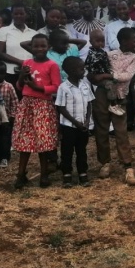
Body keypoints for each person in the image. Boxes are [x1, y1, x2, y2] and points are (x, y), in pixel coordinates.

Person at [89, 27, 135, 185]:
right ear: (124, 41)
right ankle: (105, 162)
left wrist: (107, 75)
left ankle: (127, 165)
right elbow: (94, 72)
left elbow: (127, 76)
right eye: (134, 40)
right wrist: (96, 77)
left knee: (121, 130)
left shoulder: (134, 57)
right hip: (102, 94)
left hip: (120, 97)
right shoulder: (109, 54)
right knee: (101, 129)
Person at [12, 34, 61, 189]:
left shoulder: (52, 65)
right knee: (25, 140)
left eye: (43, 46)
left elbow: (56, 86)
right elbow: (20, 86)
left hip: (43, 105)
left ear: (48, 47)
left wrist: (37, 88)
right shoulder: (27, 63)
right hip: (27, 104)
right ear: (31, 48)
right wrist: (21, 76)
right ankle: (21, 175)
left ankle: (44, 174)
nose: (39, 49)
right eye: (36, 46)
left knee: (43, 141)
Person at [55, 56, 94, 188]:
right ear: (71, 71)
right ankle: (67, 174)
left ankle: (82, 172)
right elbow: (60, 107)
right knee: (67, 151)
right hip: (69, 126)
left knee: (81, 150)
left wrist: (87, 121)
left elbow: (89, 104)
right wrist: (75, 122)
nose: (84, 71)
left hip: (83, 126)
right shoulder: (63, 87)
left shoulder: (85, 86)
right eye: (81, 69)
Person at [0, 4, 37, 88]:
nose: (18, 16)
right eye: (16, 14)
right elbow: (0, 52)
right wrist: (20, 62)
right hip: (10, 72)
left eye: (21, 14)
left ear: (26, 15)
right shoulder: (3, 31)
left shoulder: (34, 33)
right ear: (12, 15)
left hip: (31, 72)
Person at [85, 29, 126, 116]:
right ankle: (113, 105)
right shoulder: (92, 54)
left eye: (102, 41)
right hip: (97, 77)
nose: (100, 43)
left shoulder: (102, 52)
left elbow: (107, 64)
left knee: (117, 81)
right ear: (91, 42)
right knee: (109, 84)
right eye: (97, 41)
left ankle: (118, 101)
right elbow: (90, 67)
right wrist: (100, 76)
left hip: (105, 74)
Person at [0, 61, 18, 169]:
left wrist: (13, 116)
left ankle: (5, 157)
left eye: (1, 73)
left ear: (5, 73)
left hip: (6, 119)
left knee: (5, 139)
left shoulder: (9, 86)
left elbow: (15, 102)